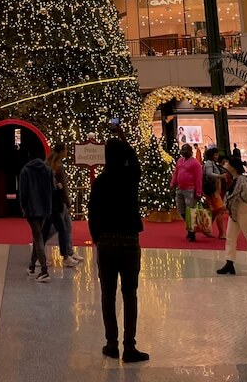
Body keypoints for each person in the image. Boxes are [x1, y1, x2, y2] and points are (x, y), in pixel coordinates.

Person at [88, 136, 149, 363]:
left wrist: (98, 238)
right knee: (130, 294)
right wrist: (125, 142)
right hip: (129, 241)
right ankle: (130, 346)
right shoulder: (130, 177)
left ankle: (111, 344)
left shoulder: (100, 183)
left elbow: (92, 214)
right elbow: (135, 161)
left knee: (107, 295)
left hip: (106, 242)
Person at [217, 156, 247, 275]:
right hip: (235, 213)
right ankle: (229, 262)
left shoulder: (241, 180)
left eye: (228, 163)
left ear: (233, 167)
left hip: (243, 211)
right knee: (230, 237)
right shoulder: (235, 179)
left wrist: (237, 200)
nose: (226, 164)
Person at [19, 154, 54, 282]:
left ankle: (44, 271)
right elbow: (53, 189)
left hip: (32, 209)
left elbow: (23, 192)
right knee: (37, 237)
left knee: (38, 237)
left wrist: (23, 206)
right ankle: (32, 266)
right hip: (45, 209)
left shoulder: (25, 171)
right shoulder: (48, 170)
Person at [44, 146, 80, 267]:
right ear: (61, 152)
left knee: (65, 226)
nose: (67, 152)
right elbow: (63, 187)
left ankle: (69, 253)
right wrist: (68, 204)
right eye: (65, 150)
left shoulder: (49, 165)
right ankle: (66, 255)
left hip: (54, 202)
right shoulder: (58, 168)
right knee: (60, 228)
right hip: (59, 203)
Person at [170, 143, 202, 242]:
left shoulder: (195, 163)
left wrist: (198, 192)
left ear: (190, 151)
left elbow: (198, 178)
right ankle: (190, 227)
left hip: (190, 190)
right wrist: (173, 183)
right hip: (180, 189)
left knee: (190, 211)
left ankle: (191, 232)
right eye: (182, 150)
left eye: (185, 150)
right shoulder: (179, 161)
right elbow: (176, 173)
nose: (183, 152)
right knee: (181, 210)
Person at [202, 146, 227, 240]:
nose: (217, 156)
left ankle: (207, 228)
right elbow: (209, 174)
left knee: (215, 210)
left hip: (214, 191)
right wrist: (220, 176)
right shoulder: (209, 163)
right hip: (212, 191)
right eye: (216, 154)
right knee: (219, 209)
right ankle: (221, 233)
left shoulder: (212, 163)